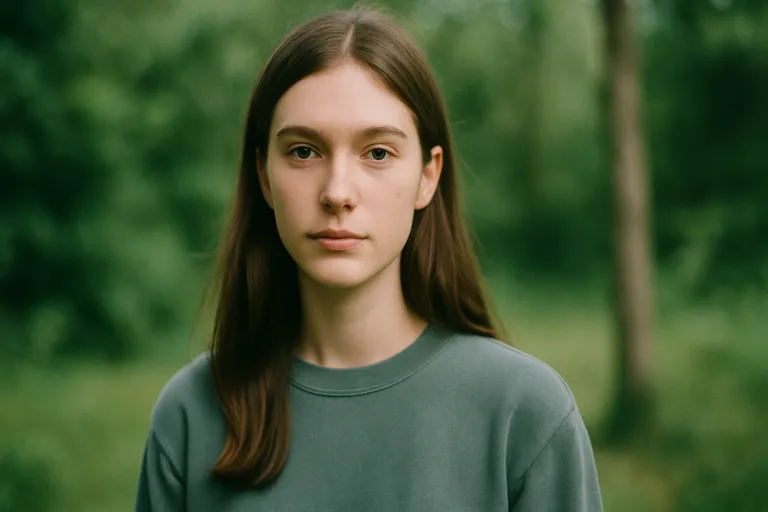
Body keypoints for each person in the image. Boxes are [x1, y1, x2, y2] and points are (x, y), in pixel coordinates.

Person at [134, 7, 603, 512]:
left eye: (377, 153)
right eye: (303, 151)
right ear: (264, 176)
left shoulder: (525, 413)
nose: (337, 193)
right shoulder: (190, 414)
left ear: (428, 175)